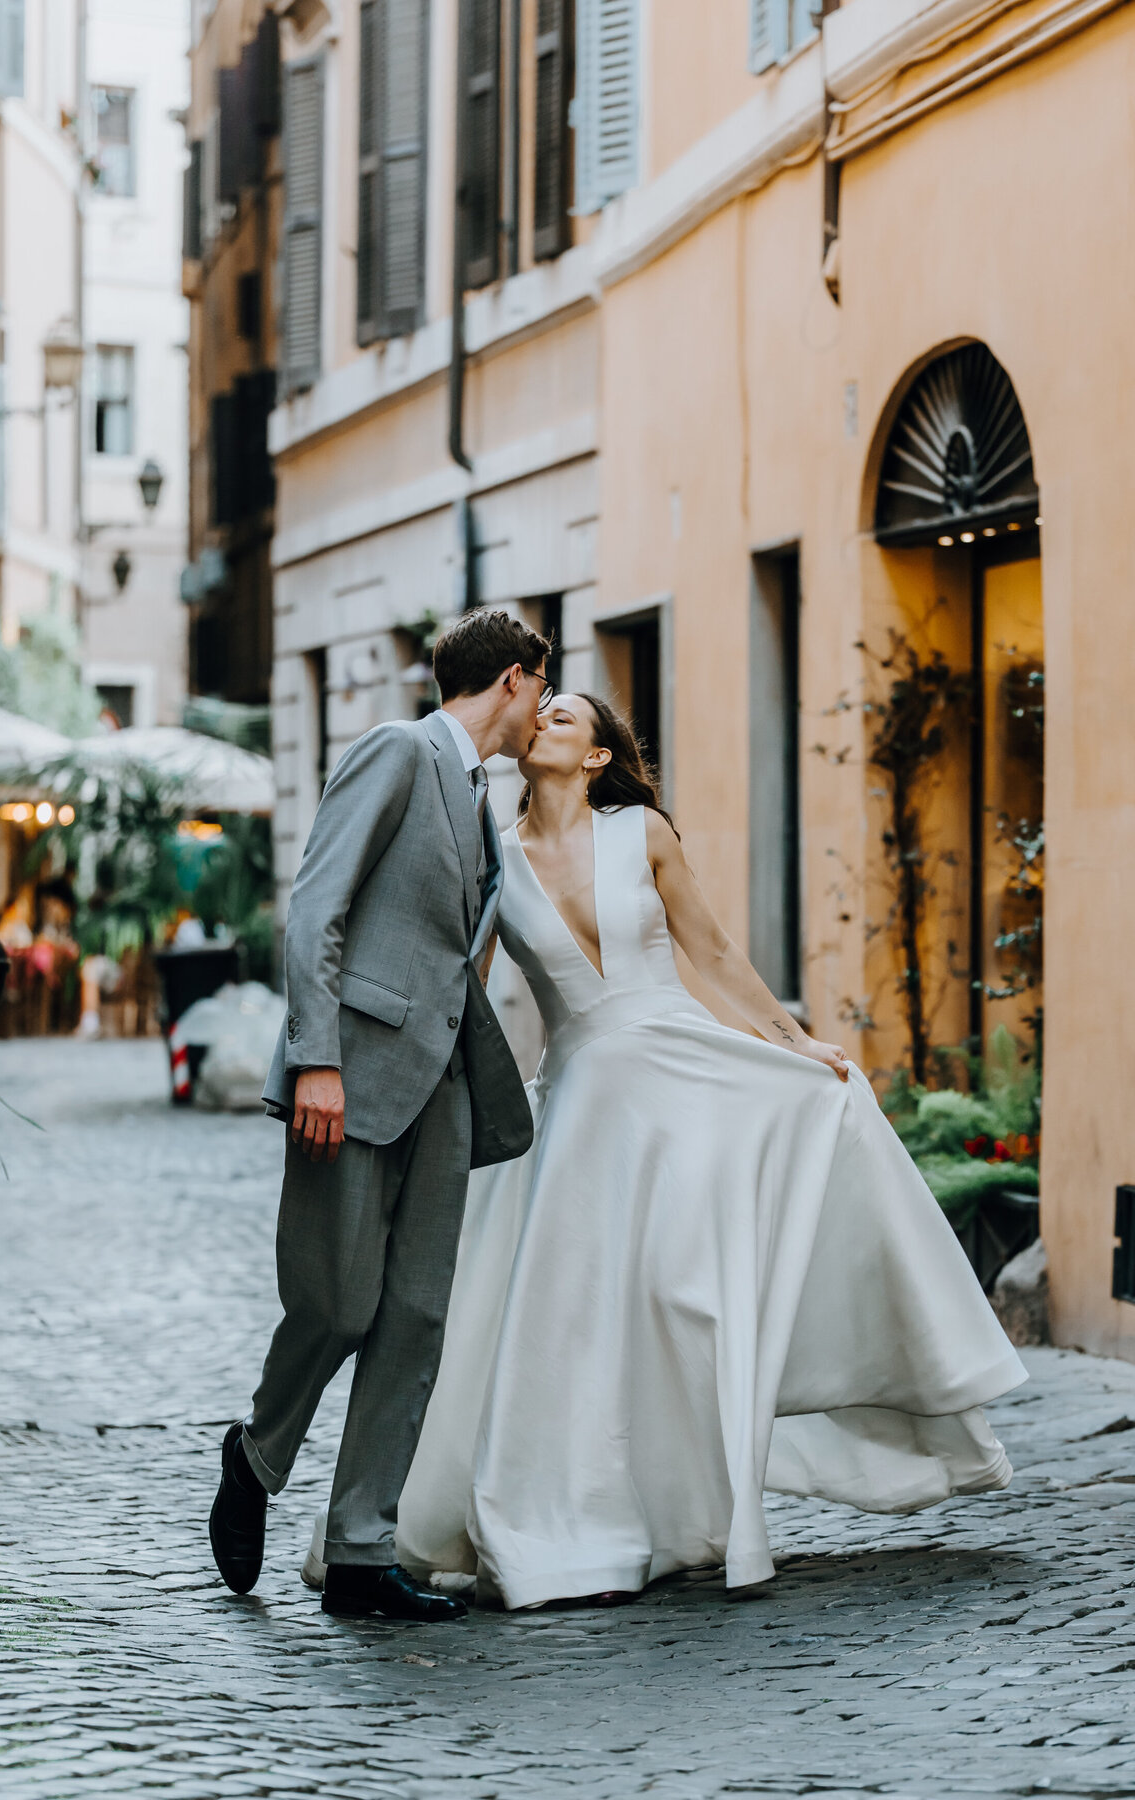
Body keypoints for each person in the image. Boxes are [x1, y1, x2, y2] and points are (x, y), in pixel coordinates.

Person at [303, 692, 1026, 1611]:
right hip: (580, 1109)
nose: (544, 722)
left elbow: (714, 954)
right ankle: (592, 1520)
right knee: (584, 1319)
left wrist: (795, 1042)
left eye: (565, 717)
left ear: (598, 757)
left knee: (693, 1294)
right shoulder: (492, 852)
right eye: (542, 710)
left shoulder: (641, 831)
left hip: (687, 1079)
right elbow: (464, 993)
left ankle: (701, 1507)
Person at [208, 609, 547, 1623]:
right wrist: (315, 1059)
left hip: (441, 1084)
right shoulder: (398, 752)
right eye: (541, 691)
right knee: (337, 1300)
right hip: (351, 1075)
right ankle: (256, 1454)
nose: (539, 711)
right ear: (519, 681)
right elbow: (318, 906)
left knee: (417, 1317)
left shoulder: (487, 798)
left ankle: (362, 1552)